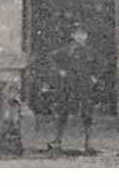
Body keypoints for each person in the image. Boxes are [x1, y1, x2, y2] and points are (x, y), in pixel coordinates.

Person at [47, 23, 99, 155]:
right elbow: (51, 59)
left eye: (83, 34)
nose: (80, 37)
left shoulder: (91, 51)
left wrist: (95, 77)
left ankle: (89, 142)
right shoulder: (66, 50)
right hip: (69, 85)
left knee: (87, 113)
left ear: (87, 36)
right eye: (77, 34)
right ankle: (58, 140)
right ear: (72, 36)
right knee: (63, 111)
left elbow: (100, 65)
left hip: (85, 85)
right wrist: (60, 71)